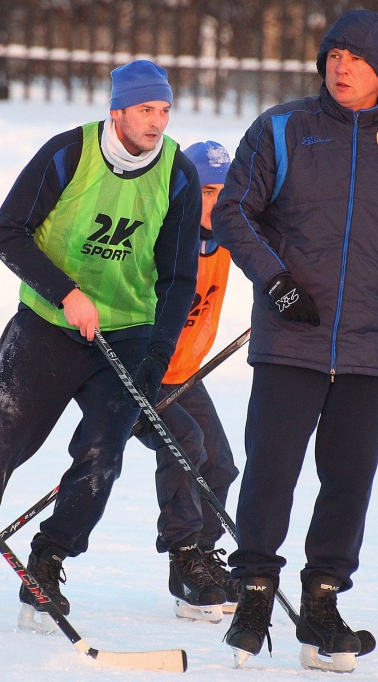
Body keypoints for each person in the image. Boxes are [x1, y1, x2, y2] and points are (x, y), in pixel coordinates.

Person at [0, 60, 200, 630]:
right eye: (145, 111)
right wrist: (66, 292)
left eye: (164, 111)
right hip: (46, 328)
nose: (156, 123)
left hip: (126, 335)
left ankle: (48, 561)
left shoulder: (177, 174)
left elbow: (180, 278)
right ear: (117, 112)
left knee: (101, 457)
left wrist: (157, 353)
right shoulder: (68, 153)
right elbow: (7, 232)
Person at [212, 10, 378, 669]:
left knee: (349, 481)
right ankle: (255, 590)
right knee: (271, 472)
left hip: (373, 347)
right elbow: (233, 211)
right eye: (333, 54)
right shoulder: (283, 129)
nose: (341, 66)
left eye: (355, 57)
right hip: (293, 337)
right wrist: (277, 282)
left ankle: (322, 603)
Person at [135, 141, 241, 623]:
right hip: (144, 371)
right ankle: (183, 562)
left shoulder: (229, 235)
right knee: (186, 445)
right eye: (209, 192)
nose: (218, 205)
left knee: (221, 465)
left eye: (227, 192)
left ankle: (203, 558)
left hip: (185, 372)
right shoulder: (163, 238)